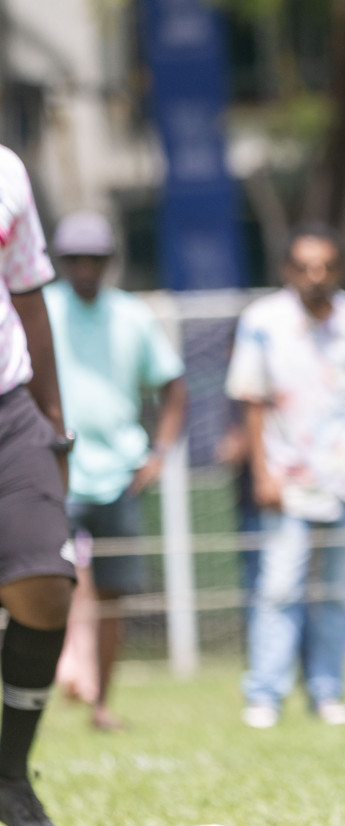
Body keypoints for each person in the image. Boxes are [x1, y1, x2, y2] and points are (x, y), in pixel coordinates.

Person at [225, 225, 345, 728]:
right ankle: (265, 694)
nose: (316, 277)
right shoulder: (263, 321)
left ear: (338, 270)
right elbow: (251, 404)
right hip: (287, 478)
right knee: (279, 587)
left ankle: (328, 692)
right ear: (288, 272)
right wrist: (260, 472)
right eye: (305, 268)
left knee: (341, 592)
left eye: (325, 267)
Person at [46, 212, 187, 731]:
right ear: (60, 262)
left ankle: (100, 704)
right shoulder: (39, 311)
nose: (84, 268)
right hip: (51, 472)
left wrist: (159, 453)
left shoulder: (132, 316)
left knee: (111, 596)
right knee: (44, 588)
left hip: (119, 476)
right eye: (74, 259)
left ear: (109, 262)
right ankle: (54, 681)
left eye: (95, 259)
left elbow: (174, 386)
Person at [0, 144, 76, 826]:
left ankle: (11, 775)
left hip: (9, 413)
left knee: (47, 592)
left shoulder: (8, 171)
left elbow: (27, 295)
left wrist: (53, 420)